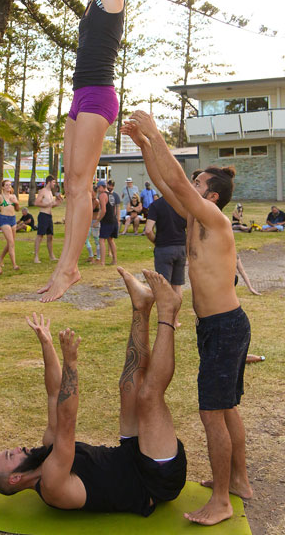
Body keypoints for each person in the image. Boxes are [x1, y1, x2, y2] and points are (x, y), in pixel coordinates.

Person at [122, 112, 252, 526]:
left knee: (213, 411)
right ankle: (239, 482)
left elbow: (177, 181)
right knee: (226, 407)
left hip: (226, 326)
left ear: (211, 196)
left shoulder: (214, 219)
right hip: (218, 327)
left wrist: (157, 133)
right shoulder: (197, 216)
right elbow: (165, 183)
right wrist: (143, 146)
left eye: (199, 184)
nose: (191, 186)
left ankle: (221, 500)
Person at [0, 269, 187, 514]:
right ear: (15, 479)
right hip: (156, 480)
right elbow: (67, 421)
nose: (18, 448)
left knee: (129, 386)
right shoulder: (52, 483)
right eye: (11, 455)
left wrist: (47, 345)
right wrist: (71, 363)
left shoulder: (46, 451)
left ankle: (142, 306)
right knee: (148, 397)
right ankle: (168, 311)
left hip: (132, 453)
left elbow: (54, 394)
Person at [37, 0, 124, 302]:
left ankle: (69, 269)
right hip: (79, 96)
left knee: (82, 183)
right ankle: (63, 267)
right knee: (71, 183)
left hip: (99, 97)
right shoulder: (91, 0)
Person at [145, 196, 186, 328]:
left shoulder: (156, 205)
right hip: (181, 248)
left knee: (164, 287)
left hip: (164, 249)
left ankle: (166, 321)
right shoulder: (181, 203)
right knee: (177, 286)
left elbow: (148, 230)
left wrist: (156, 242)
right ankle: (175, 320)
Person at [34, 176, 62, 264]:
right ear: (49, 182)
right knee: (40, 236)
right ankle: (36, 256)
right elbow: (36, 203)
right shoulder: (43, 191)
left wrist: (57, 203)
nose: (54, 184)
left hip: (49, 216)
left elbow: (50, 205)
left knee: (50, 236)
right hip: (43, 215)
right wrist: (47, 205)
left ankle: (51, 256)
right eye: (53, 182)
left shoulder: (50, 192)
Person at [96, 180, 118, 266]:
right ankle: (114, 260)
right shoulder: (111, 195)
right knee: (111, 240)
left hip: (107, 221)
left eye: (98, 187)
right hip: (113, 220)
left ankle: (102, 262)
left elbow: (104, 210)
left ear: (102, 187)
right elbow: (114, 208)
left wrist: (98, 220)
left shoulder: (102, 195)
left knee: (101, 240)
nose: (98, 189)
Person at [84, 186, 100, 262]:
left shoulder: (96, 201)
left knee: (96, 239)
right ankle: (91, 255)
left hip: (94, 221)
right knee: (86, 239)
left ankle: (98, 257)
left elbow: (91, 209)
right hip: (88, 221)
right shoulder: (90, 200)